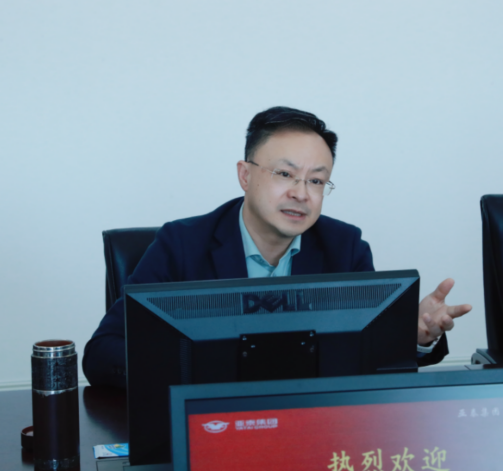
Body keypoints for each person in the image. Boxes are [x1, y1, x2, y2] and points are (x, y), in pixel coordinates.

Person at [83, 106, 472, 388]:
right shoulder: (182, 245)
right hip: (211, 425)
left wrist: (413, 336)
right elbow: (103, 353)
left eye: (316, 181)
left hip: (311, 429)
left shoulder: (345, 248)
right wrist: (198, 366)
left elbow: (371, 360)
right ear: (245, 175)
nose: (301, 193)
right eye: (285, 174)